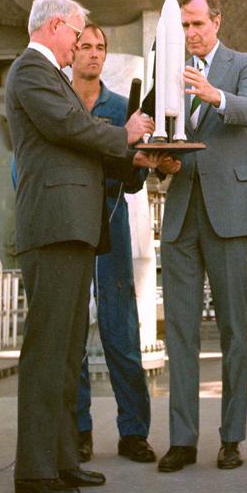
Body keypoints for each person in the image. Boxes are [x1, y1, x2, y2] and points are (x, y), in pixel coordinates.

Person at [6, 0, 154, 493]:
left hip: (72, 225)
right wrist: (124, 134)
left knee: (68, 353)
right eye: (75, 33)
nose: (78, 44)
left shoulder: (49, 76)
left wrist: (134, 158)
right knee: (48, 349)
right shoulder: (30, 71)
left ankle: (63, 459)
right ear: (53, 26)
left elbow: (77, 144)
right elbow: (69, 128)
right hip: (53, 225)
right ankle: (35, 470)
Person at [157, 0, 247, 473]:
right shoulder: (168, 69)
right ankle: (182, 440)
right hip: (181, 211)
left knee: (233, 330)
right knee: (179, 331)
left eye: (197, 24)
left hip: (229, 211)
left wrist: (214, 95)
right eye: (183, 26)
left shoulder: (243, 63)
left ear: (217, 22)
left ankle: (231, 437)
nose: (190, 34)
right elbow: (158, 130)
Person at [69, 25, 178, 465]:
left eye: (100, 48)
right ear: (71, 52)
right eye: (85, 47)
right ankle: (78, 428)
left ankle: (133, 431)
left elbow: (132, 182)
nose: (93, 55)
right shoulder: (59, 103)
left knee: (122, 332)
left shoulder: (121, 107)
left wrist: (145, 164)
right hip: (70, 227)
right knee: (73, 333)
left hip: (110, 228)